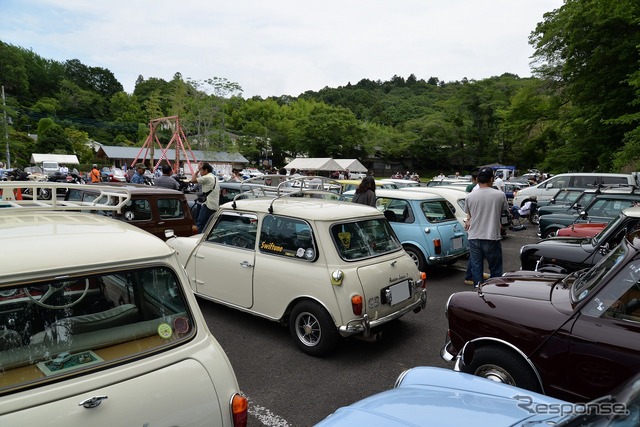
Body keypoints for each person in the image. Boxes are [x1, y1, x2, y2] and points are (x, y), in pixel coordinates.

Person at [464, 167, 509, 288]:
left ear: (477, 179)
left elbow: (469, 214)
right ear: (491, 179)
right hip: (491, 236)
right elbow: (503, 211)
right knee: (495, 268)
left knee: (476, 266)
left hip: (474, 236)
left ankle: (478, 291)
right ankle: (493, 292)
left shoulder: (470, 196)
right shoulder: (499, 195)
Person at [191, 162, 219, 233]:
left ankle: (199, 240)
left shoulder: (207, 177)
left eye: (201, 170)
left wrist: (197, 170)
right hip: (214, 205)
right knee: (209, 226)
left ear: (206, 170)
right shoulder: (215, 177)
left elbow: (193, 180)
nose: (200, 172)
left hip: (207, 205)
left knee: (200, 225)